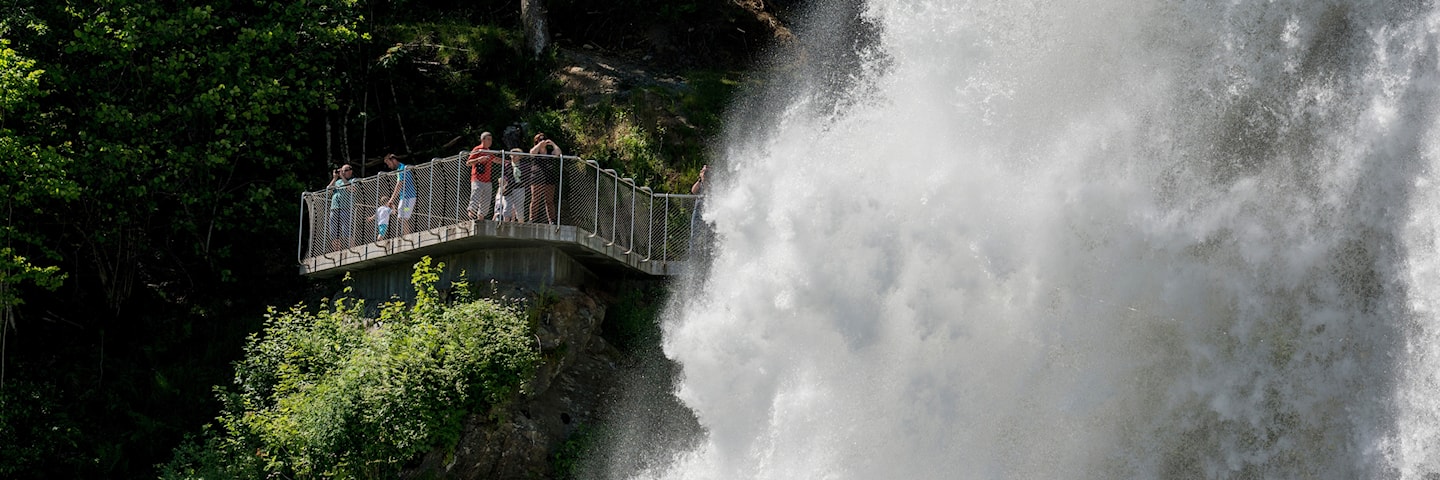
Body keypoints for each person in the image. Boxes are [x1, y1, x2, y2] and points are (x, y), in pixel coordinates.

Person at [528, 133, 562, 224]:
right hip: (537, 177)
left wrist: (552, 144)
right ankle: (532, 219)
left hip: (549, 178)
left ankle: (552, 220)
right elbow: (532, 153)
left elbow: (558, 153)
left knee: (549, 200)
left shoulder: (550, 153)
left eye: (544, 139)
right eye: (540, 139)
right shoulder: (536, 152)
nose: (543, 141)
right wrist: (539, 145)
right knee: (535, 199)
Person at [465, 132, 499, 220]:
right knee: (475, 195)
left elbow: (495, 159)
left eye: (491, 139)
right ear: (483, 140)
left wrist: (507, 162)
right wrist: (478, 159)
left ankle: (481, 217)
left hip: (487, 180)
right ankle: (471, 215)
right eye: (488, 139)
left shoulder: (489, 151)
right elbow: (468, 163)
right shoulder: (478, 149)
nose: (490, 141)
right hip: (477, 178)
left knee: (486, 199)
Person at [383, 153, 417, 236]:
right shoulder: (400, 169)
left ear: (393, 160)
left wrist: (391, 200)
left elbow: (399, 185)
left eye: (389, 163)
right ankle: (407, 235)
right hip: (405, 198)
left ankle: (407, 237)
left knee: (402, 217)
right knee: (401, 215)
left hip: (409, 197)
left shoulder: (402, 169)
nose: (389, 166)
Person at [327, 164, 357, 251]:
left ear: (350, 171)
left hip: (346, 208)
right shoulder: (337, 182)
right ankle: (337, 251)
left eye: (345, 171)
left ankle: (352, 249)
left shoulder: (353, 181)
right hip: (334, 209)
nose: (343, 173)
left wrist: (342, 177)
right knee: (333, 232)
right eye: (342, 171)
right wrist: (335, 178)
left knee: (346, 231)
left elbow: (351, 189)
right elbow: (328, 190)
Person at [495, 148, 527, 222]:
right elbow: (505, 175)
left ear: (519, 156)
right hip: (508, 188)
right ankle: (505, 223)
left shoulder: (524, 166)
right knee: (507, 207)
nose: (513, 157)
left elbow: (526, 176)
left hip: (519, 187)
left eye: (516, 155)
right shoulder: (507, 165)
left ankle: (520, 224)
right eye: (512, 155)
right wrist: (503, 180)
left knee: (519, 207)